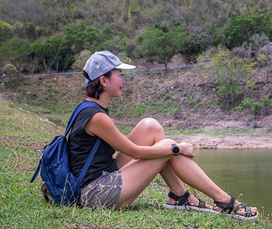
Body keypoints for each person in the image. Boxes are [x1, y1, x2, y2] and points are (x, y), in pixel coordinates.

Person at [68, 51, 258, 220]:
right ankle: (223, 200)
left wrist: (168, 148)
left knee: (151, 127)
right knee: (167, 147)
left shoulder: (90, 107)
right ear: (104, 80)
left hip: (102, 174)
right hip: (95, 193)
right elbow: (135, 153)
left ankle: (179, 195)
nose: (124, 80)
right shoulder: (96, 116)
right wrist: (176, 148)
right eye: (120, 75)